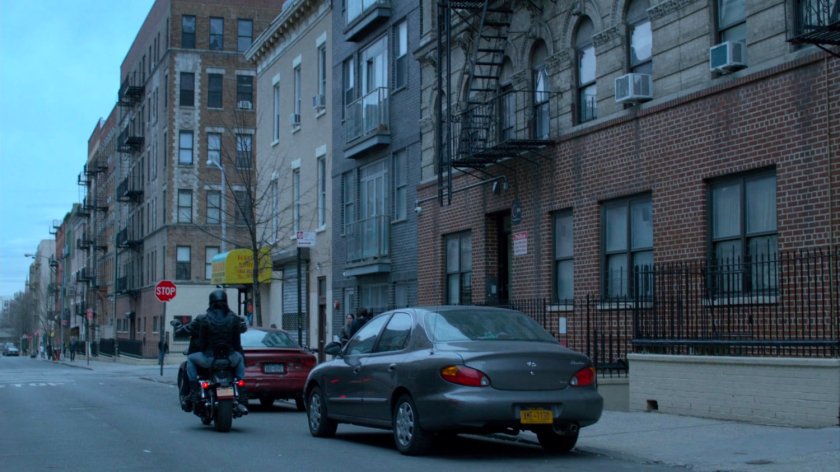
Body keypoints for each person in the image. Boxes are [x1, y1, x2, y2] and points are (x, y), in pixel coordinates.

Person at [176, 289, 247, 414]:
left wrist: (178, 328)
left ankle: (193, 391)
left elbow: (185, 330)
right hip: (230, 359)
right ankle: (241, 395)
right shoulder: (234, 318)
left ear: (211, 302)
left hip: (209, 359)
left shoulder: (202, 319)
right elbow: (243, 329)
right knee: (240, 359)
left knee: (191, 359)